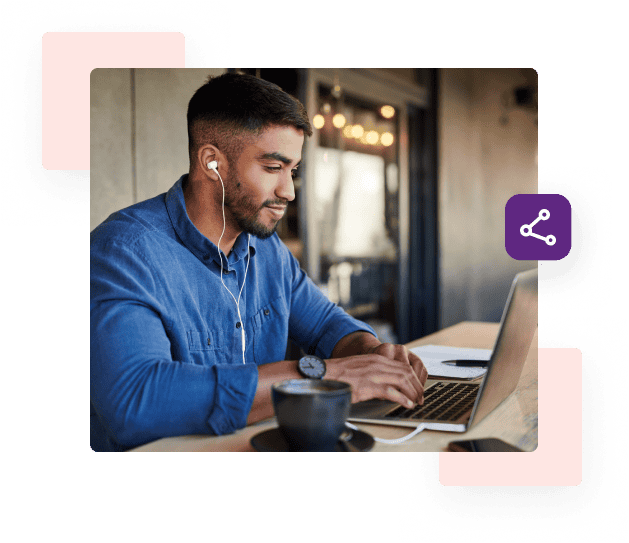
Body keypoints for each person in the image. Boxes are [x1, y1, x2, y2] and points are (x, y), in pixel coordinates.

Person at [90, 72, 427, 451]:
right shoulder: (124, 251)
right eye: (273, 168)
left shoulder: (266, 250)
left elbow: (326, 325)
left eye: (293, 171)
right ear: (211, 163)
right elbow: (135, 400)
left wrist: (371, 354)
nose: (289, 191)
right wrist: (322, 375)